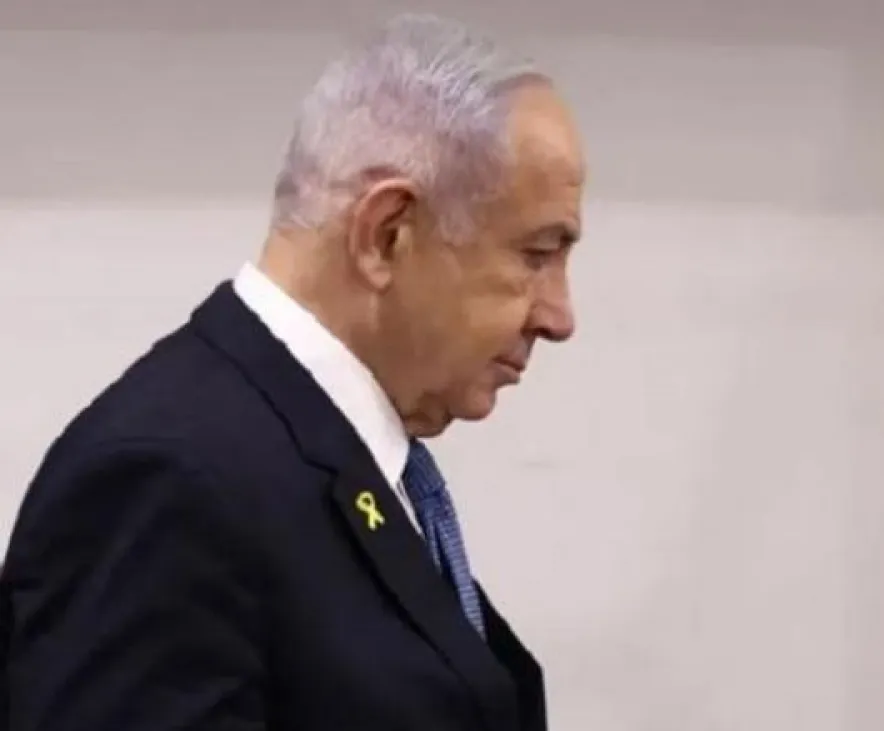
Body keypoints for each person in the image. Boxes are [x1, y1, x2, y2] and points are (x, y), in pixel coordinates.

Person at [0, 12, 582, 731]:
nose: (559, 316)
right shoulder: (168, 479)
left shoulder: (322, 457)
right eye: (536, 254)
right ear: (387, 235)